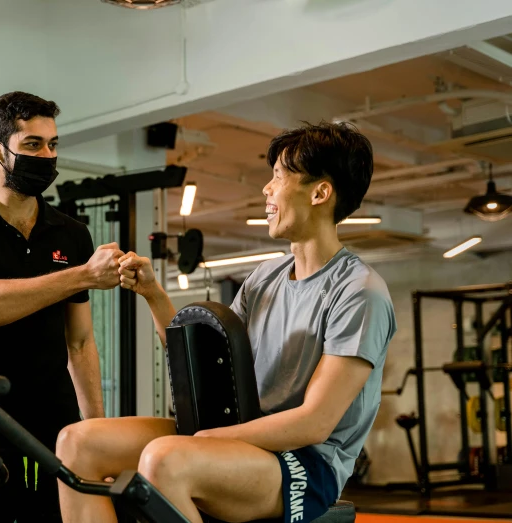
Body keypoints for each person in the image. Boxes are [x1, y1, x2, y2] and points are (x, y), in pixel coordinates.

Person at [56, 121, 398, 523]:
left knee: (166, 459)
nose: (267, 190)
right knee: (77, 443)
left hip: (304, 464)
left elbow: (315, 423)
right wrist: (153, 293)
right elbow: (205, 364)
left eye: (278, 177)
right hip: (240, 436)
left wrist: (206, 438)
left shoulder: (359, 291)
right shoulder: (265, 277)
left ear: (321, 193)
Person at [0, 91, 123, 522]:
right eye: (32, 145)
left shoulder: (70, 234)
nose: (46, 156)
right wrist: (84, 275)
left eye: (52, 145)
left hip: (54, 435)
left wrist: (97, 435)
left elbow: (81, 341)